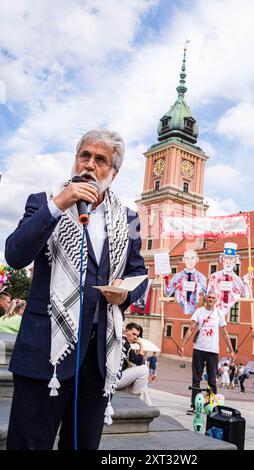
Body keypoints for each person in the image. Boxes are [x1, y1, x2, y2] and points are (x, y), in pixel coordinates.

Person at [5, 128, 148, 450]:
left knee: (83, 444)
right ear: (75, 160)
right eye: (84, 156)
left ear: (114, 172)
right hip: (46, 351)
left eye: (100, 159)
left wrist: (126, 294)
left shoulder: (128, 218)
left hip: (98, 357)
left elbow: (139, 272)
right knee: (29, 443)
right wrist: (59, 205)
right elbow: (15, 255)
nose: (89, 164)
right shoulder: (43, 202)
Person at [179, 290, 235, 414]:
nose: (210, 299)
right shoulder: (199, 312)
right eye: (208, 297)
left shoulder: (219, 314)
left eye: (213, 298)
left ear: (216, 300)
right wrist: (182, 345)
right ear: (205, 298)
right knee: (196, 378)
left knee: (212, 380)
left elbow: (225, 333)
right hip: (199, 348)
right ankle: (194, 405)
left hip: (213, 350)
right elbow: (191, 329)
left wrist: (231, 350)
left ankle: (211, 405)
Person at [207, 243, 252, 320]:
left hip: (226, 314)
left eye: (231, 259)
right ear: (221, 260)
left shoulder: (237, 279)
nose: (228, 262)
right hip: (213, 313)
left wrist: (246, 282)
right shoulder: (214, 276)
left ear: (236, 261)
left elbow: (247, 296)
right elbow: (208, 294)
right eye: (226, 258)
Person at [115, 323, 151, 405]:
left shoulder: (122, 341)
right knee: (144, 369)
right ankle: (135, 400)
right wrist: (141, 345)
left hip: (117, 378)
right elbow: (140, 361)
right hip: (114, 380)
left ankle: (146, 404)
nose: (135, 337)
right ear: (126, 330)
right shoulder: (124, 342)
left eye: (137, 336)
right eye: (133, 334)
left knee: (143, 386)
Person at [164, 249, 207, 315]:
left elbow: (207, 297)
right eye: (187, 258)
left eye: (192, 258)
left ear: (197, 259)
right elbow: (167, 292)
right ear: (183, 260)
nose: (190, 261)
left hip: (196, 312)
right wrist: (165, 278)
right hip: (178, 312)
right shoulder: (177, 276)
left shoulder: (202, 277)